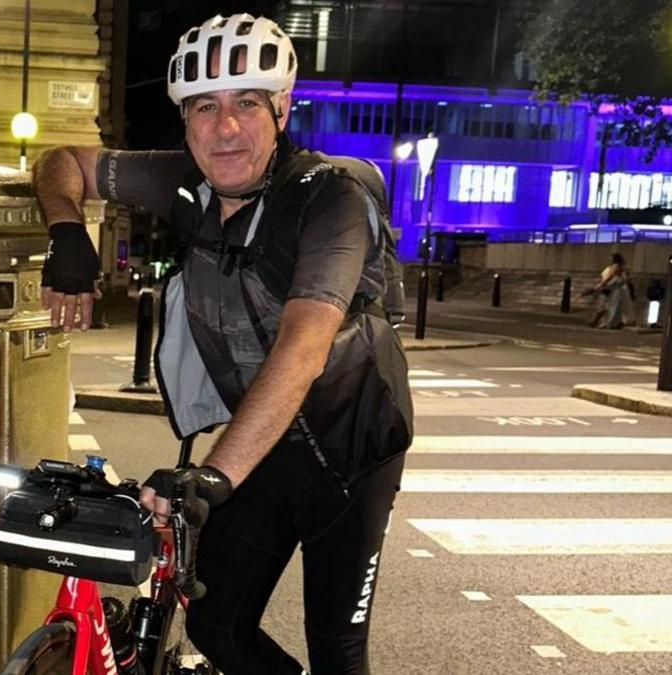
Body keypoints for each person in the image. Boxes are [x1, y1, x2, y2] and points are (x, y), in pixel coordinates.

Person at [32, 13, 413, 675]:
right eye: (205, 106)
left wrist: (214, 474)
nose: (226, 127)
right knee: (214, 620)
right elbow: (61, 160)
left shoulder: (329, 198)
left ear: (283, 108)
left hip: (347, 455)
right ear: (185, 118)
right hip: (260, 445)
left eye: (247, 103)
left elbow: (303, 345)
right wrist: (68, 230)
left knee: (339, 652)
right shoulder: (185, 181)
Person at [587, 252, 630, 329]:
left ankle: (608, 323)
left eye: (611, 258)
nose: (609, 259)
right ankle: (605, 322)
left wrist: (600, 285)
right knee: (608, 306)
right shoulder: (612, 267)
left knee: (611, 306)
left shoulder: (616, 266)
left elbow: (610, 277)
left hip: (611, 288)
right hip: (608, 288)